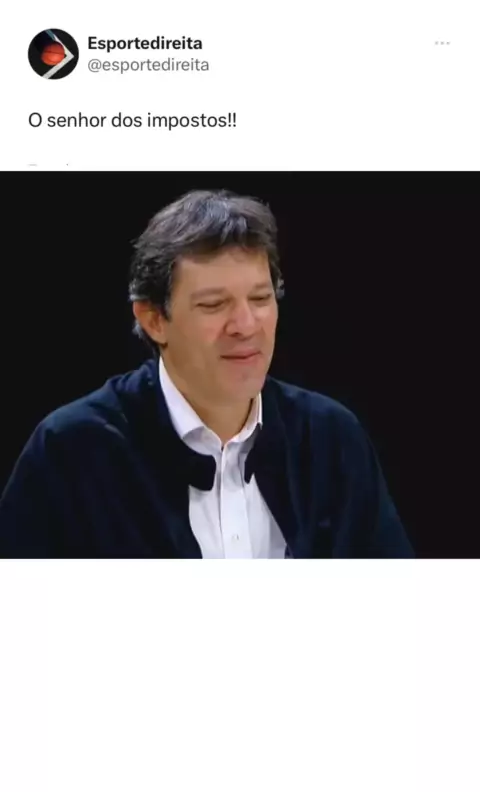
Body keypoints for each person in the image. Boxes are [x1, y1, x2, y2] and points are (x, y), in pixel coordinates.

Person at [0, 189, 414, 558]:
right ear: (153, 319)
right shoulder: (72, 451)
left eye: (260, 298)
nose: (246, 325)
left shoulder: (331, 439)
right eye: (214, 305)